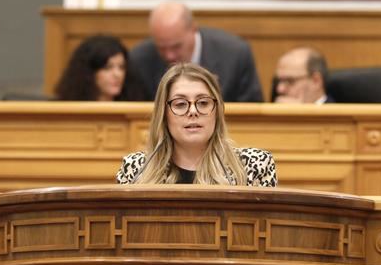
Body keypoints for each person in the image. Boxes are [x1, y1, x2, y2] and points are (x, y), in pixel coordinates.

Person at [116, 63, 276, 186]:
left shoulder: (254, 166)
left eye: (203, 103)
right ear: (163, 115)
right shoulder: (136, 169)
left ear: (217, 112)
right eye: (180, 104)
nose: (193, 111)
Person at [129, 2, 263, 102]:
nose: (169, 55)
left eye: (176, 46)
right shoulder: (139, 59)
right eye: (161, 48)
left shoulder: (235, 54)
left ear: (193, 29)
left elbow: (251, 112)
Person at [55, 34, 146, 101]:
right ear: (89, 73)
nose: (117, 74)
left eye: (121, 67)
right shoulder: (67, 109)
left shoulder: (136, 108)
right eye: (107, 68)